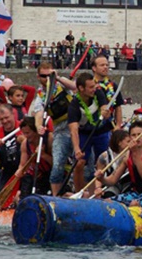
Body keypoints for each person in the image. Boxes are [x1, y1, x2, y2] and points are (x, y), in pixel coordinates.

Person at [95, 122, 142, 209]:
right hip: (136, 193)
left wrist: (135, 153)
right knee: (106, 203)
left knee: (134, 205)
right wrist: (101, 178)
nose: (136, 138)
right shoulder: (128, 154)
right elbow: (113, 180)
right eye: (133, 135)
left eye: (139, 134)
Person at [32, 62, 76, 196]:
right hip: (60, 131)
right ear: (38, 77)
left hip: (77, 128)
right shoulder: (40, 96)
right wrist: (39, 126)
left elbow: (75, 87)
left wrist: (57, 78)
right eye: (43, 76)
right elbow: (39, 113)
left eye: (49, 75)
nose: (46, 79)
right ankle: (56, 196)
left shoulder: (62, 85)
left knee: (80, 163)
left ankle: (78, 192)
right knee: (57, 165)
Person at [69, 72, 111, 194]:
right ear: (81, 88)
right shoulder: (74, 105)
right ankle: (80, 192)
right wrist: (77, 148)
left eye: (94, 86)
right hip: (84, 133)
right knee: (79, 162)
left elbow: (104, 106)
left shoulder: (98, 93)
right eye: (91, 87)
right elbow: (73, 130)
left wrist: (105, 112)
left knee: (104, 160)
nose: (94, 89)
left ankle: (103, 189)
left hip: (101, 131)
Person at [0, 105, 24, 196]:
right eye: (2, 119)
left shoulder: (24, 128)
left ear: (13, 114)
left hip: (25, 169)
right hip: (7, 170)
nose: (5, 121)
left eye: (7, 118)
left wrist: (24, 141)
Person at [15, 116, 53, 199]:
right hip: (38, 175)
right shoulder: (25, 144)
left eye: (28, 133)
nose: (25, 136)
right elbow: (22, 165)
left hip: (51, 173)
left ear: (35, 131)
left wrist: (43, 155)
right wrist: (20, 171)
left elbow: (57, 163)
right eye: (23, 133)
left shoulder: (49, 139)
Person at [91, 55, 124, 128]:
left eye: (107, 65)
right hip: (91, 124)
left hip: (108, 125)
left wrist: (118, 125)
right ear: (94, 68)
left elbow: (118, 107)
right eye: (102, 65)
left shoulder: (113, 85)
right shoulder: (89, 85)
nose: (105, 67)